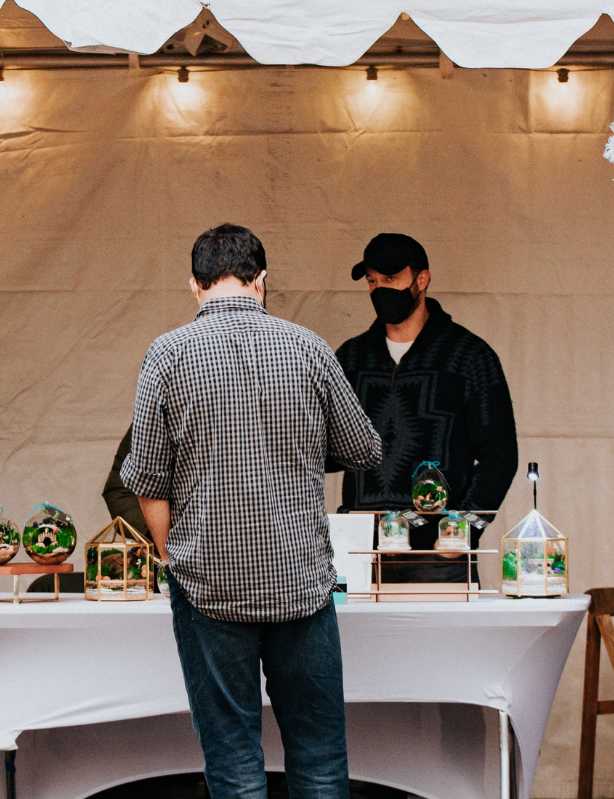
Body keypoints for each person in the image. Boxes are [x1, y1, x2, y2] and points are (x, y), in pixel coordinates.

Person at [120, 224, 382, 799]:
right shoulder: (309, 347)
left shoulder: (165, 356)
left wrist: (173, 560)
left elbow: (146, 482)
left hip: (208, 587)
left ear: (194, 286)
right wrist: (298, 444)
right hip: (301, 584)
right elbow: (364, 448)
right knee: (318, 760)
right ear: (262, 281)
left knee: (235, 763)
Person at [334, 233, 517, 582]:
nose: (379, 289)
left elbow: (500, 454)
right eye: (372, 281)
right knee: (359, 640)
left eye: (391, 278)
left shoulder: (470, 357)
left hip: (438, 556)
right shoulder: (350, 357)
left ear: (422, 279)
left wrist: (464, 527)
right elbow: (327, 450)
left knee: (444, 640)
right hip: (360, 552)